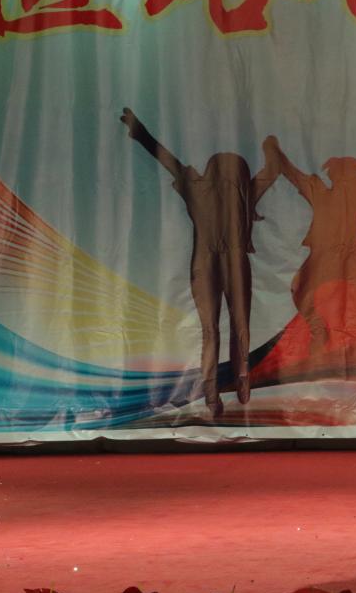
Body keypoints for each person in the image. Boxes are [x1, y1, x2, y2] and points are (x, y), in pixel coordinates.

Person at [120, 108, 281, 417]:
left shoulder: (201, 187)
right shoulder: (242, 194)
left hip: (207, 263)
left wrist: (141, 133)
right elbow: (272, 170)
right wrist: (270, 146)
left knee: (215, 330)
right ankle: (235, 384)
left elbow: (167, 160)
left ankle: (215, 392)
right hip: (226, 262)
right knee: (235, 326)